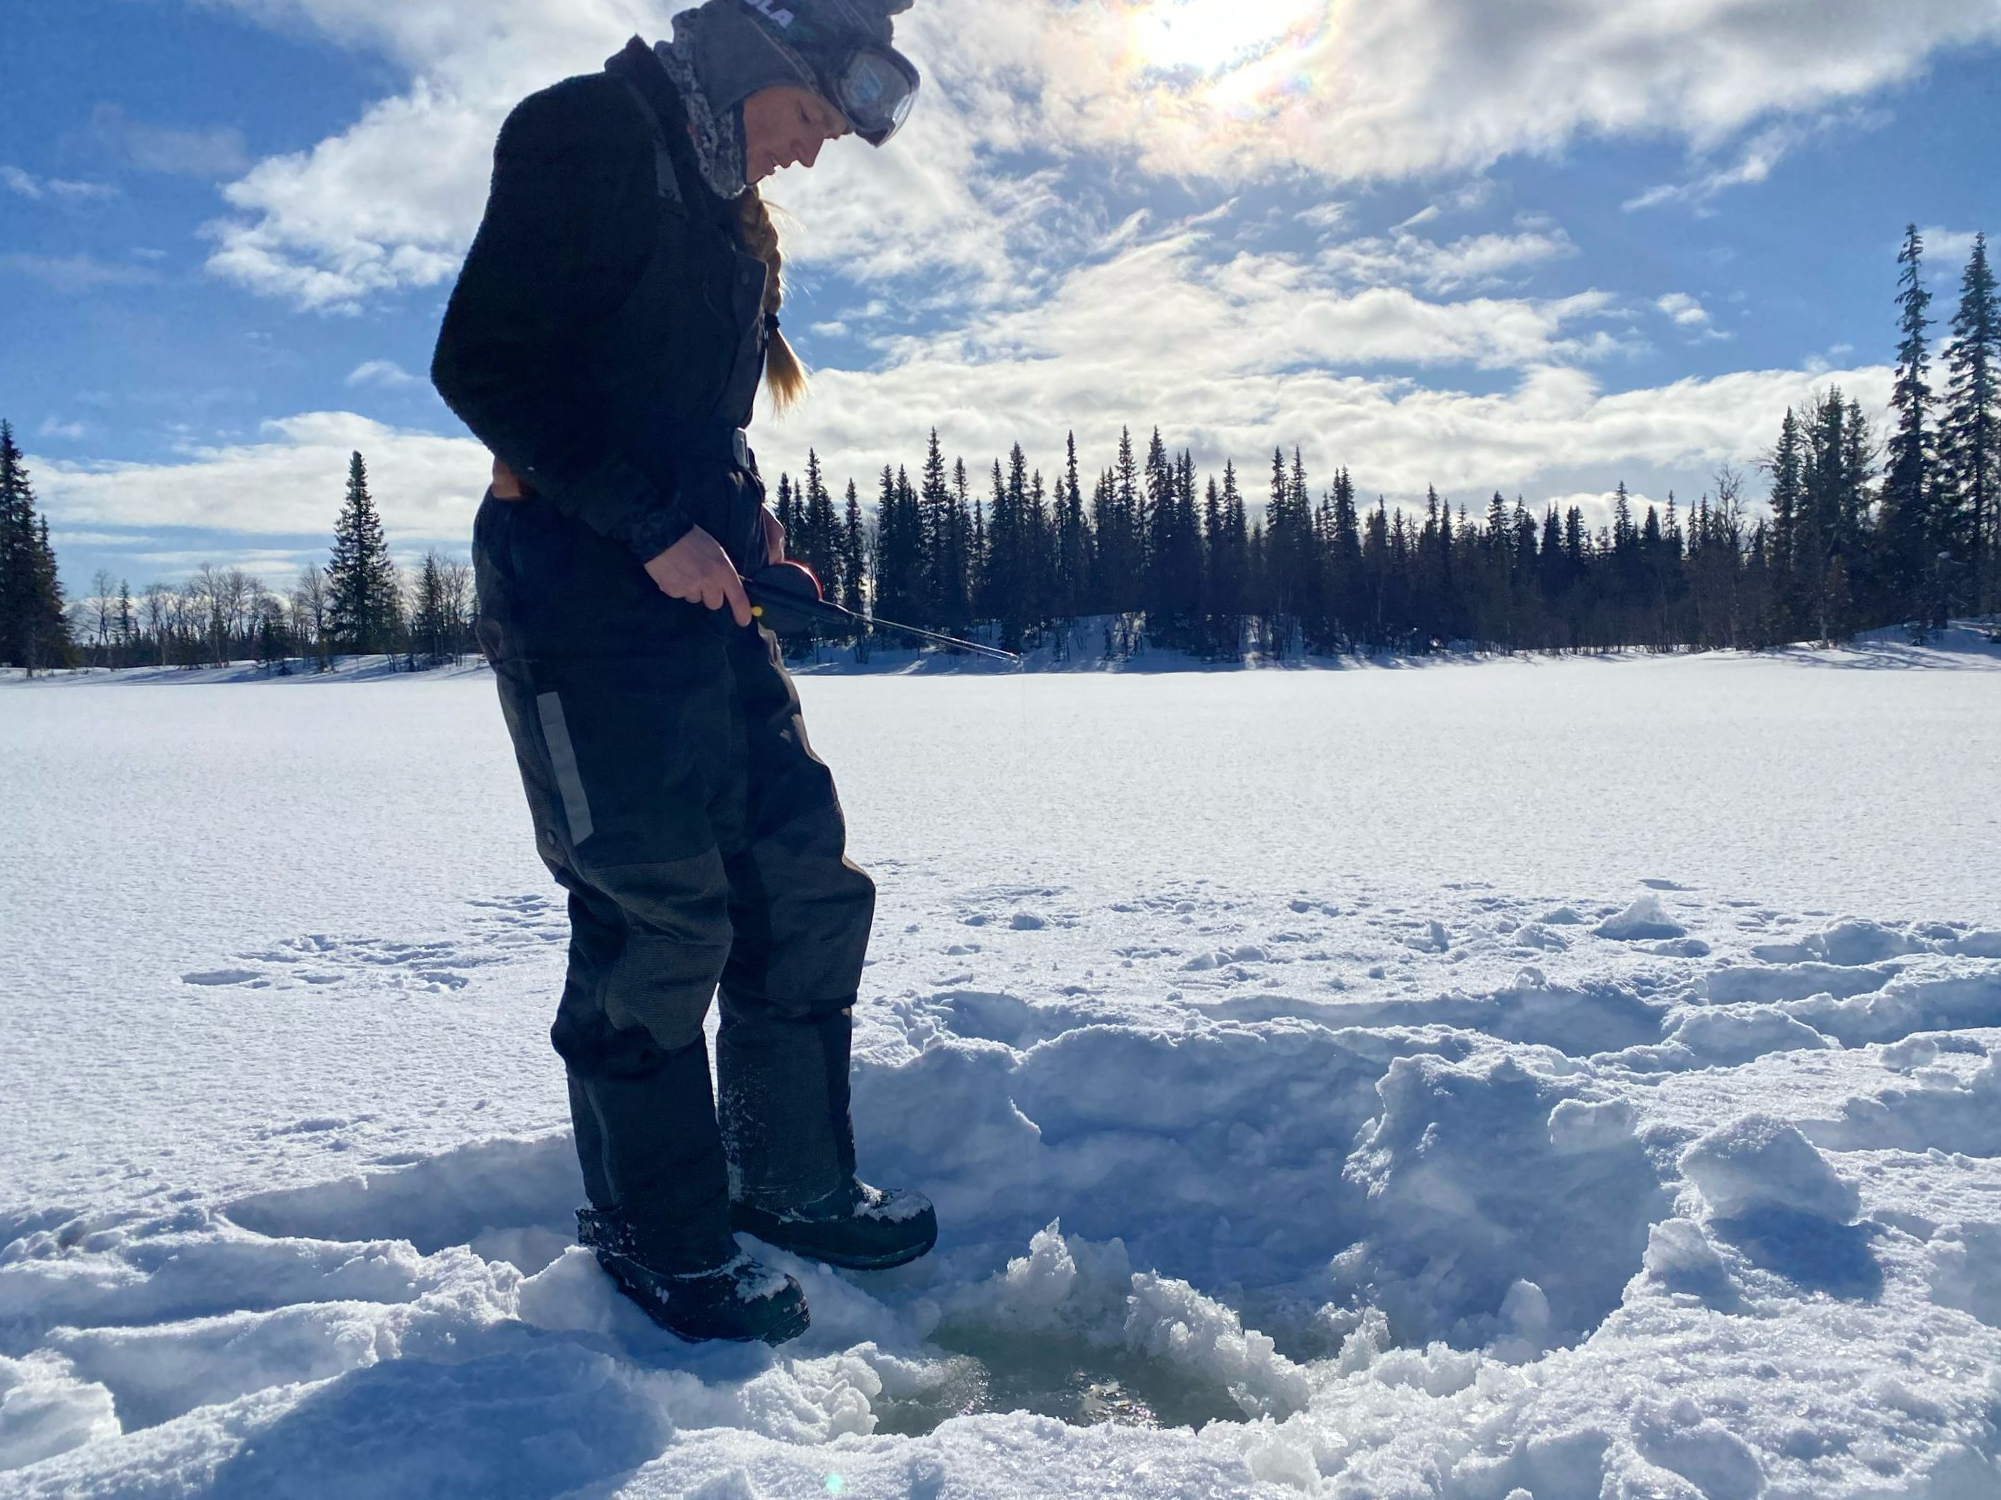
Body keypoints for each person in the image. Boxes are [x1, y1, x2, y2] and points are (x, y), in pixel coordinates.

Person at [431, 0, 934, 1347]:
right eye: (813, 121)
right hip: (576, 596)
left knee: (801, 885)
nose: (813, 157)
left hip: (697, 601)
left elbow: (689, 417)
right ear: (759, 58)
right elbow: (483, 360)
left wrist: (740, 519)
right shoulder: (586, 131)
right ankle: (656, 1232)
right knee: (658, 916)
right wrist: (652, 527)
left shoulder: (724, 210)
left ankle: (785, 1177)